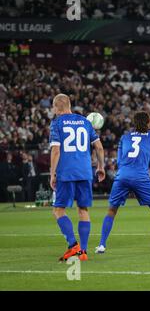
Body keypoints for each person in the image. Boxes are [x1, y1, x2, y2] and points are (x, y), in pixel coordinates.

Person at [96, 111, 150, 254]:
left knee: (112, 211)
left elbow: (119, 161)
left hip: (122, 175)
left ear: (134, 123)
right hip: (140, 176)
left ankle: (101, 245)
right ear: (149, 122)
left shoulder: (125, 137)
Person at [49, 94, 105, 262]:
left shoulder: (57, 123)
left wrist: (52, 173)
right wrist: (101, 167)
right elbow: (99, 147)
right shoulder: (85, 122)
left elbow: (56, 150)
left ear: (57, 107)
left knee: (58, 210)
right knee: (83, 210)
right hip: (85, 172)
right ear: (69, 105)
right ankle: (83, 251)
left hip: (66, 173)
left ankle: (73, 245)